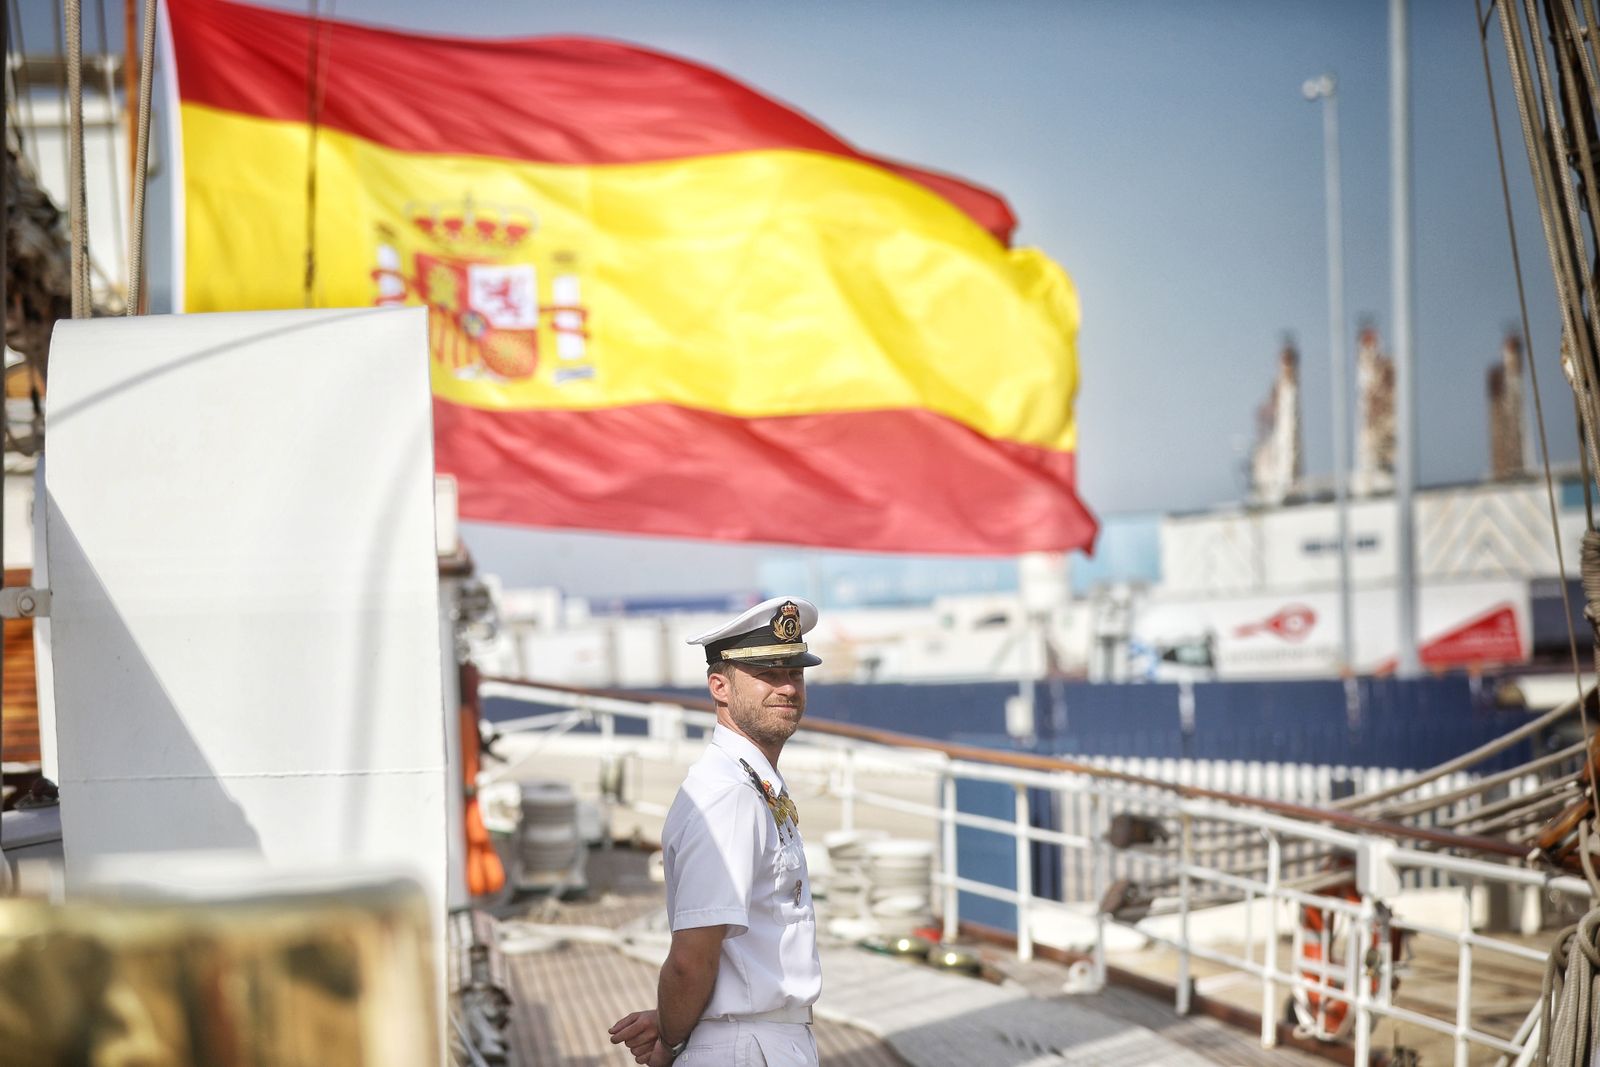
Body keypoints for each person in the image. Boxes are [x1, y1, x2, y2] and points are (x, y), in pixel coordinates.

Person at [609, 596, 824, 1066]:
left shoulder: (750, 782)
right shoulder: (730, 794)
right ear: (719, 687)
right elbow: (692, 958)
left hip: (754, 1040)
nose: (786, 687)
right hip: (747, 1049)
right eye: (767, 674)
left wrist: (672, 1022)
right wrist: (670, 1040)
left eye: (794, 672)